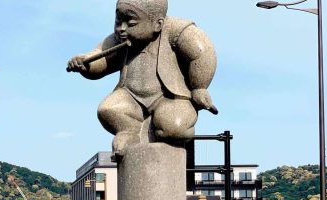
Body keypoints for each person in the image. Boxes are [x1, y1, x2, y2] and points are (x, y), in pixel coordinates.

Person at [67, 0, 217, 157]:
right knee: (108, 109)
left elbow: (202, 53)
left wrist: (199, 86)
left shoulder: (176, 30)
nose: (121, 29)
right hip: (130, 96)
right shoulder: (119, 40)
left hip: (169, 97)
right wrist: (85, 63)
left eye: (130, 23)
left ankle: (156, 127)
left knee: (174, 127)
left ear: (157, 24)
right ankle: (130, 131)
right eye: (118, 21)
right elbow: (101, 57)